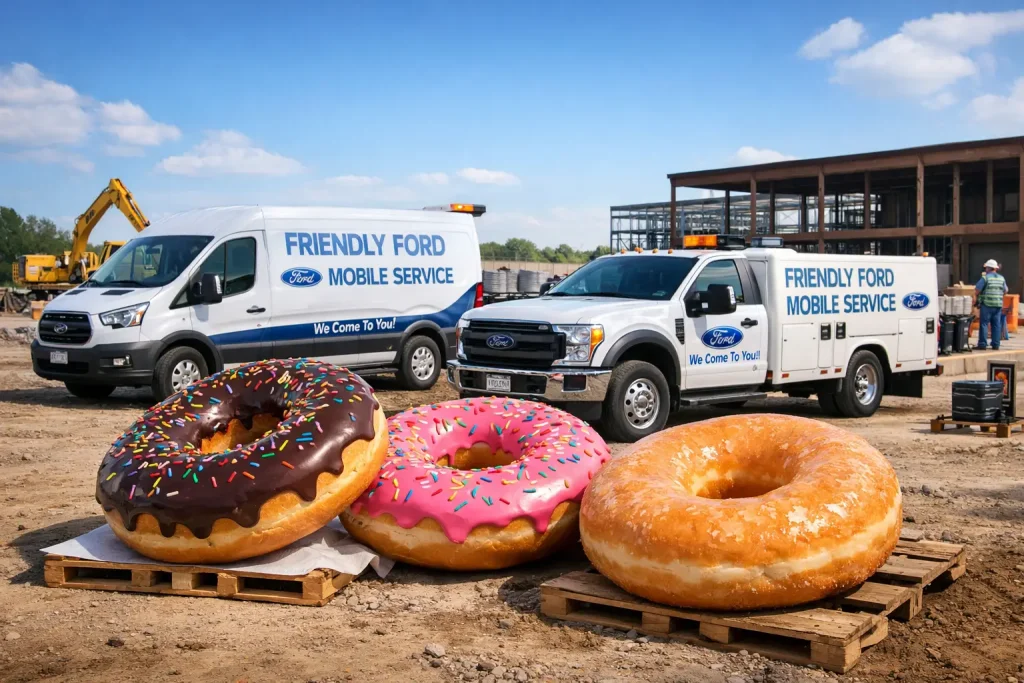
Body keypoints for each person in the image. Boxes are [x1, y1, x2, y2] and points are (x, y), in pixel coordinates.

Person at [976, 259, 1008, 350]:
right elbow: (1006, 290)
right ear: (996, 268)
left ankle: (982, 344)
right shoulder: (1002, 278)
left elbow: (977, 290)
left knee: (984, 324)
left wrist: (977, 298)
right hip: (997, 305)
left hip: (986, 304)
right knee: (996, 324)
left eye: (986, 267)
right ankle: (996, 344)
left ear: (988, 268)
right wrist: (998, 296)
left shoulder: (985, 278)